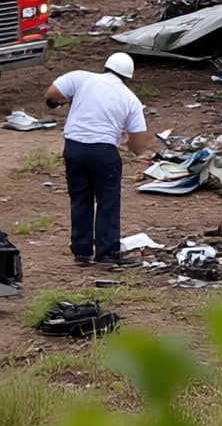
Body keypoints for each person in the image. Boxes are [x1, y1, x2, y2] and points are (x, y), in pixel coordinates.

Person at [45, 52, 155, 266]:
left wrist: (58, 103)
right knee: (108, 201)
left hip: (74, 147)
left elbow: (52, 94)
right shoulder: (130, 99)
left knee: (80, 198)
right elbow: (138, 145)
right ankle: (107, 253)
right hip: (104, 152)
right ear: (128, 77)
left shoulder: (81, 78)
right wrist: (129, 147)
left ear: (105, 67)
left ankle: (81, 252)